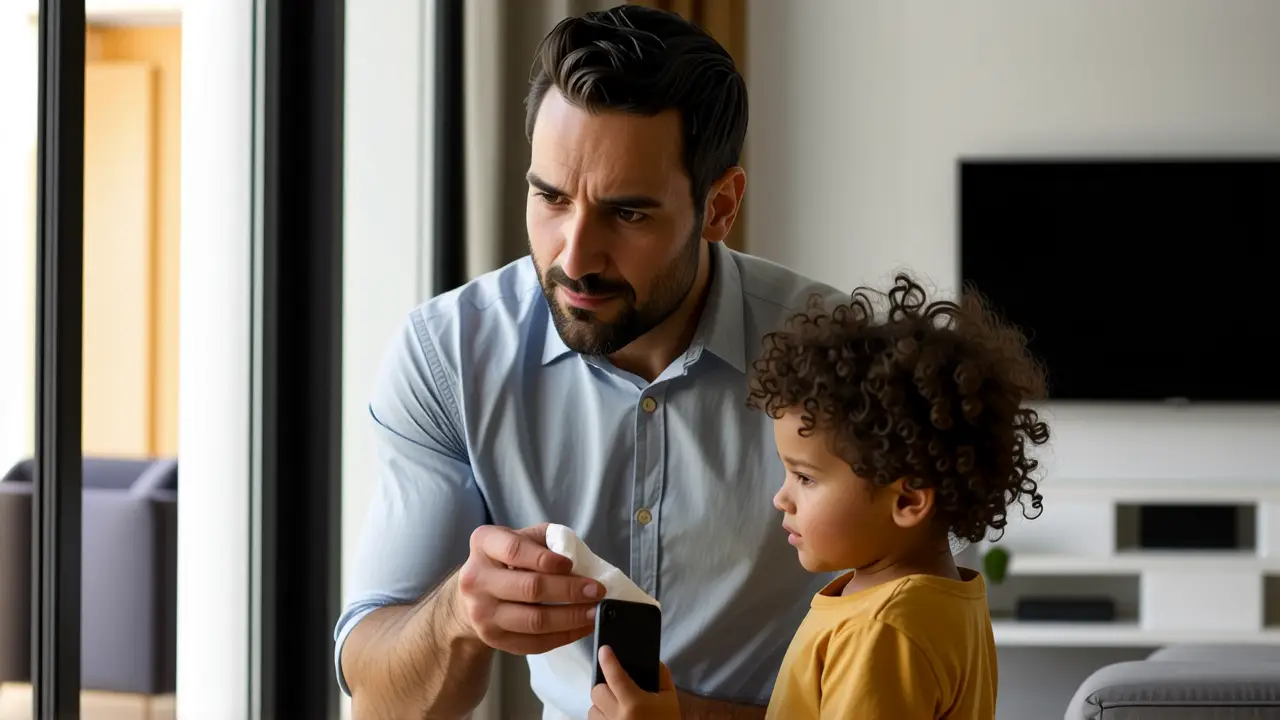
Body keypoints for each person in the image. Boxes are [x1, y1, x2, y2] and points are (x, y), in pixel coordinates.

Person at [335, 5, 849, 719]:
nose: (573, 257)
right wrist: (457, 614)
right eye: (550, 197)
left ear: (721, 206)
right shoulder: (447, 357)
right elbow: (381, 702)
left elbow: (926, 678)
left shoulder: (842, 358)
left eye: (628, 213)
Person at [589, 274, 1051, 719]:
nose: (781, 499)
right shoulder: (945, 600)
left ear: (908, 501)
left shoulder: (881, 632)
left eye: (805, 478)